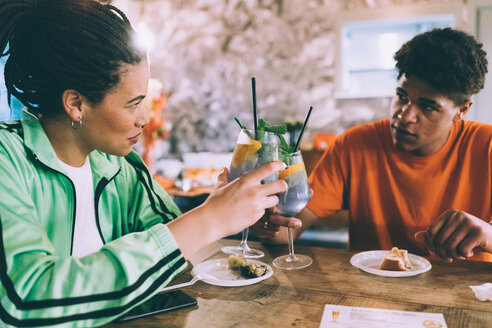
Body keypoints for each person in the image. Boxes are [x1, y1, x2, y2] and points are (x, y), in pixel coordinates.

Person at [0, 0, 287, 327]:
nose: (146, 118)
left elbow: (171, 259)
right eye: (134, 104)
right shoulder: (6, 159)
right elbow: (27, 297)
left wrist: (222, 209)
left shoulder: (120, 167)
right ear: (76, 104)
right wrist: (208, 220)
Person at [254, 27, 492, 263]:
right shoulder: (353, 145)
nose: (405, 115)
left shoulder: (487, 145)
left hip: (466, 295)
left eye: (428, 106)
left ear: (461, 110)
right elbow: (289, 231)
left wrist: (489, 235)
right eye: (402, 96)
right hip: (368, 293)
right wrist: (264, 222)